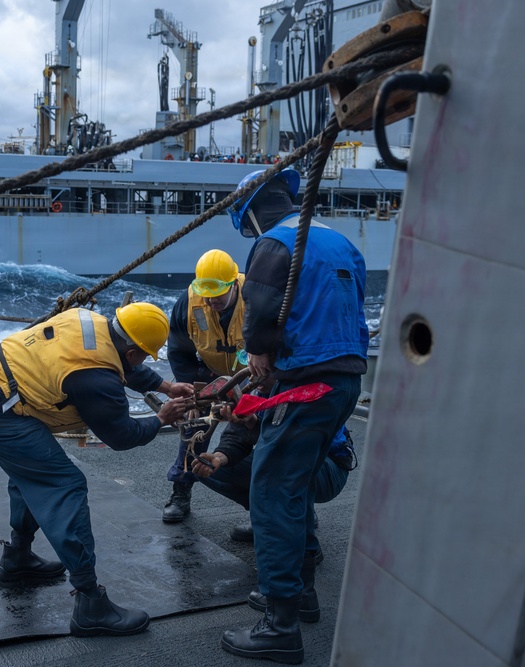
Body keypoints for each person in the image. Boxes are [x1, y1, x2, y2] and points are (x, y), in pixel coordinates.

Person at [0, 302, 192, 637]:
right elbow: (121, 436)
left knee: (32, 471)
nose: (140, 360)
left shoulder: (94, 324)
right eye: (143, 355)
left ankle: (18, 559)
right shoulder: (95, 377)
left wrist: (165, 387)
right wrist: (161, 419)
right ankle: (90, 603)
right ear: (135, 350)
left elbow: (122, 363)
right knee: (64, 482)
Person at [219, 168, 368, 664]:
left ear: (253, 212)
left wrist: (257, 351)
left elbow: (259, 302)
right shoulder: (342, 243)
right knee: (297, 482)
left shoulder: (275, 244)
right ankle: (299, 594)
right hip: (346, 380)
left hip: (306, 381)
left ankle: (279, 627)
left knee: (272, 492)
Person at [191, 415, 357, 623]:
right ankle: (274, 519)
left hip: (328, 466)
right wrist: (220, 456)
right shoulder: (256, 390)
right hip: (288, 458)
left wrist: (253, 422)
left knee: (280, 463)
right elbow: (236, 436)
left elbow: (288, 443)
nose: (256, 383)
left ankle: (294, 585)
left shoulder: (303, 391)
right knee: (207, 467)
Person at [162, 248, 247, 523]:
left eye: (218, 294)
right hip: (210, 375)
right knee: (193, 427)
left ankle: (277, 504)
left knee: (261, 433)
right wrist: (192, 393)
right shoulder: (187, 303)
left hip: (253, 377)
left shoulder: (256, 296)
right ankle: (181, 491)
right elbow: (178, 351)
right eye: (206, 294)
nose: (211, 301)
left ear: (234, 284)